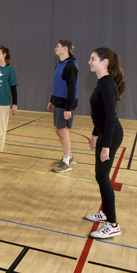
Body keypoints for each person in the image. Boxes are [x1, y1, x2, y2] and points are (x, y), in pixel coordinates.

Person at [84, 47, 125, 239]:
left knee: (102, 177)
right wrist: (95, 134)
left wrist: (106, 145)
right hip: (104, 133)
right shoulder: (101, 82)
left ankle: (113, 223)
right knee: (100, 175)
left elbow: (110, 117)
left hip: (111, 134)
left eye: (93, 59)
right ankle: (105, 214)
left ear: (104, 62)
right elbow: (98, 114)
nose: (90, 62)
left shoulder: (107, 84)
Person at [49, 40, 79, 173]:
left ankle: (67, 161)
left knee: (63, 131)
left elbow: (72, 89)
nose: (55, 48)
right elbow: (57, 84)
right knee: (58, 129)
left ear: (65, 48)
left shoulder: (71, 65)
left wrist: (68, 108)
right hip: (59, 102)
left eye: (58, 46)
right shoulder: (59, 65)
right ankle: (69, 156)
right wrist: (52, 100)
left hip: (66, 104)